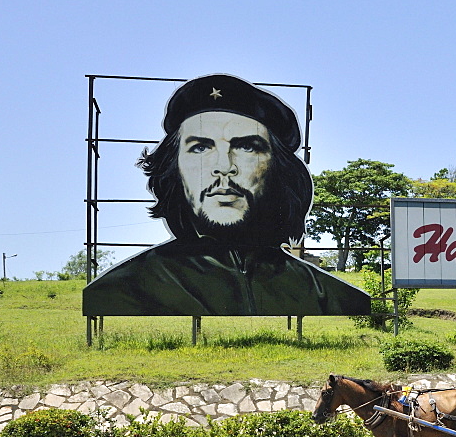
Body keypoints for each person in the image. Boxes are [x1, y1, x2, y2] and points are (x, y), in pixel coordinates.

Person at [82, 74, 371, 317]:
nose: (224, 167)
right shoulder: (126, 290)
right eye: (201, 147)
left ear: (279, 168)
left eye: (247, 147)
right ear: (173, 167)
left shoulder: (330, 296)